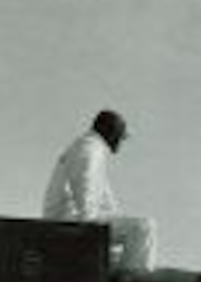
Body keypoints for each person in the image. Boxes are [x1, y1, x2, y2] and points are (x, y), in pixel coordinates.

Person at [42, 108, 155, 272]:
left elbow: (106, 203)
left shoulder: (90, 148)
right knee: (144, 227)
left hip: (69, 220)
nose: (120, 143)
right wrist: (91, 240)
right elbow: (85, 193)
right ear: (111, 133)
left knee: (124, 250)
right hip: (70, 223)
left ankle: (125, 279)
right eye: (120, 137)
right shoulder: (89, 150)